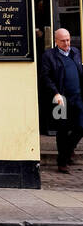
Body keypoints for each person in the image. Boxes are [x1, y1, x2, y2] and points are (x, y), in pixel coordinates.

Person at [39, 28, 83, 173]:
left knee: (80, 127)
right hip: (60, 99)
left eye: (68, 40)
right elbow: (45, 77)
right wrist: (55, 93)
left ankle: (68, 151)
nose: (66, 43)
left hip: (77, 97)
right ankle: (62, 162)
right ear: (56, 41)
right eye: (63, 40)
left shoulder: (75, 52)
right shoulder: (49, 56)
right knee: (63, 130)